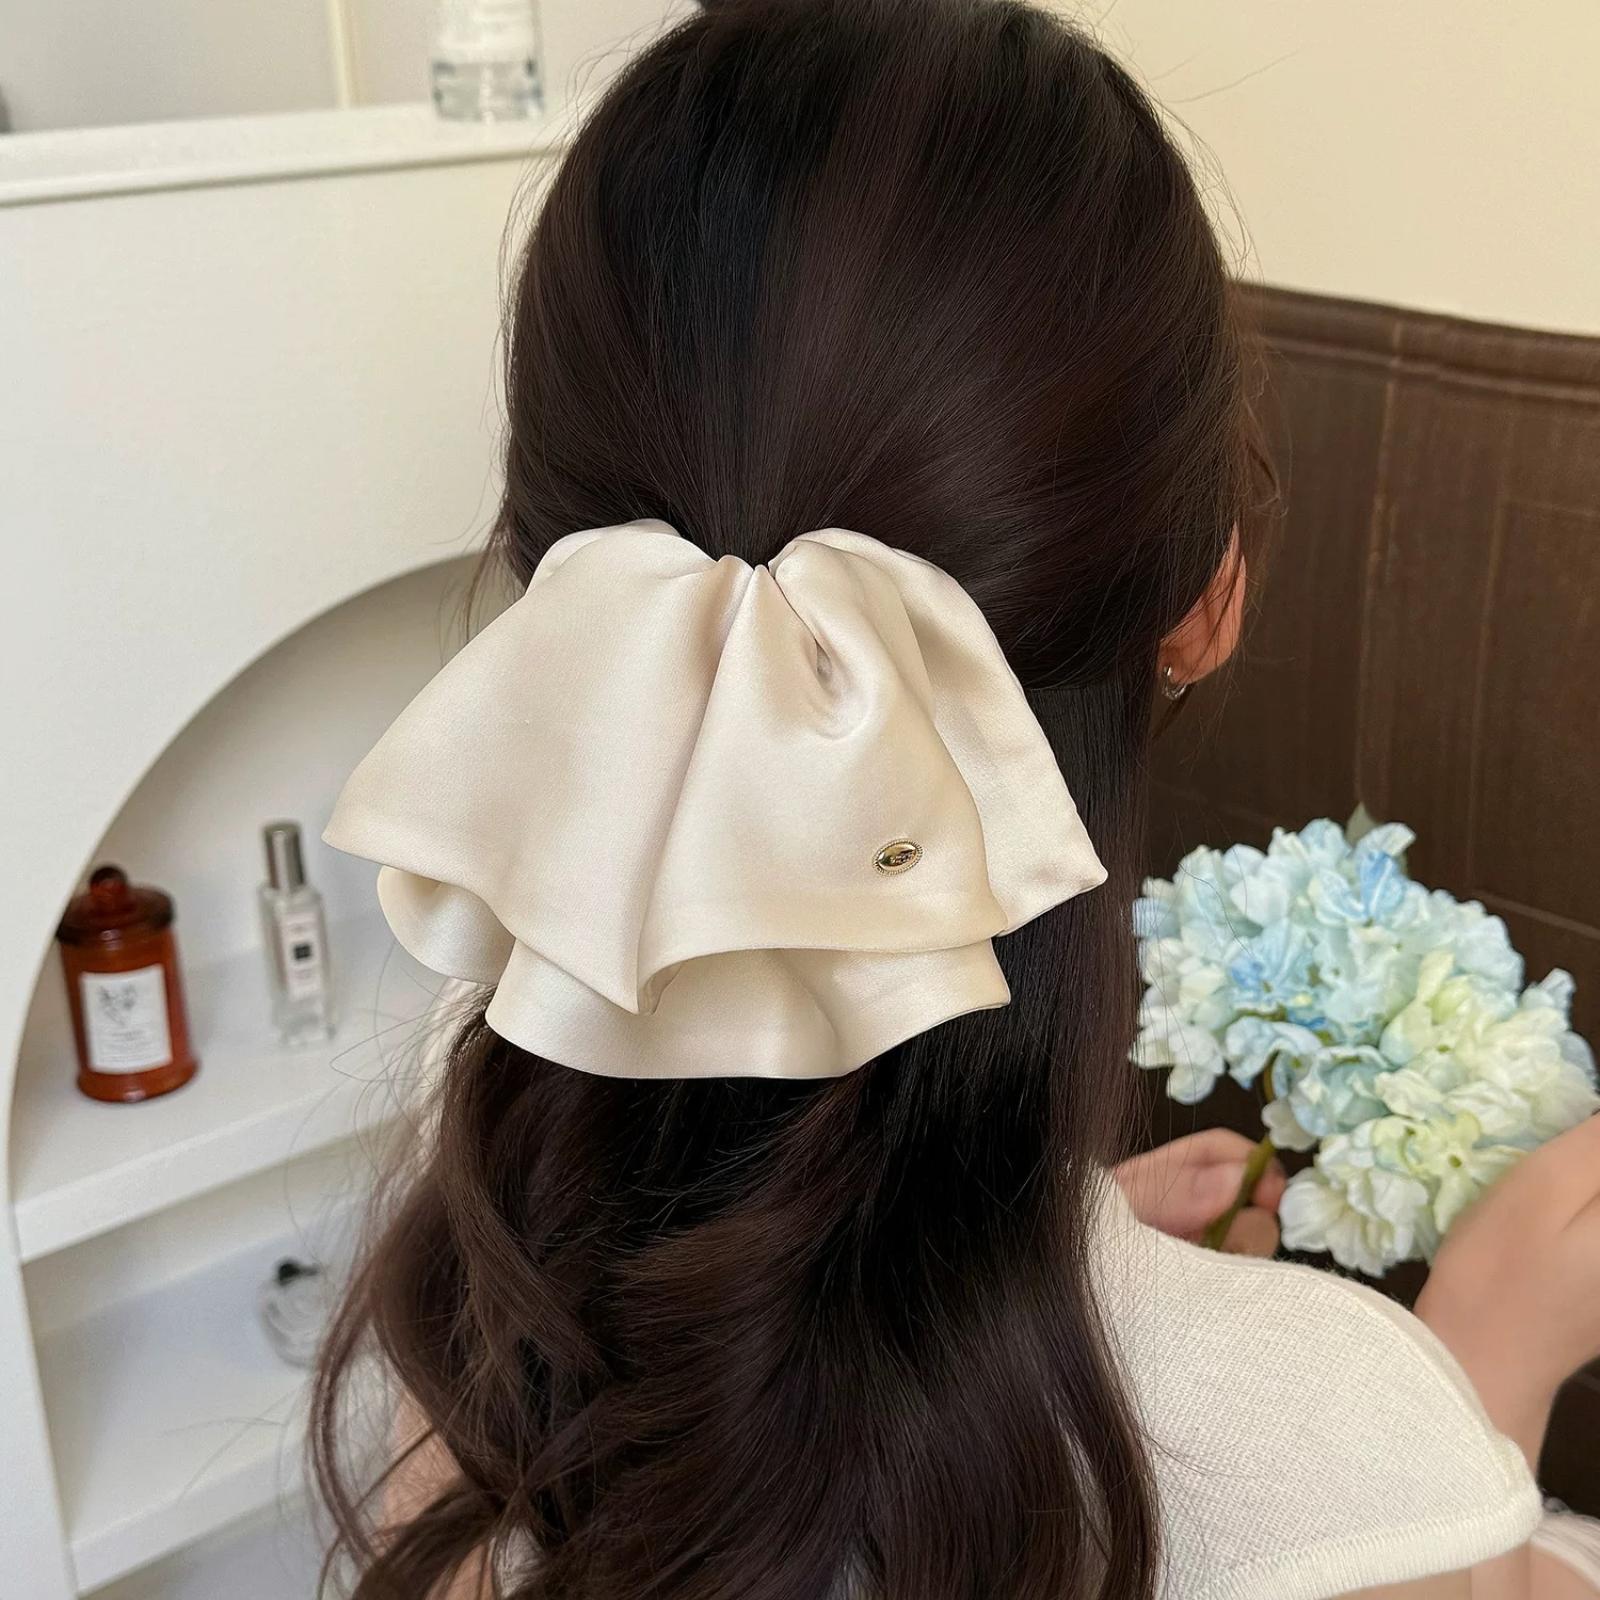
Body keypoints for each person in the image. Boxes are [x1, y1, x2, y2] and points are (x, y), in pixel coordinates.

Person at [312, 2, 1600, 1596]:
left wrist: (1050, 1273)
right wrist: (1477, 1388)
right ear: (1209, 597)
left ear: (558, 582)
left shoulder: (488, 1247)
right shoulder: (1348, 1449)